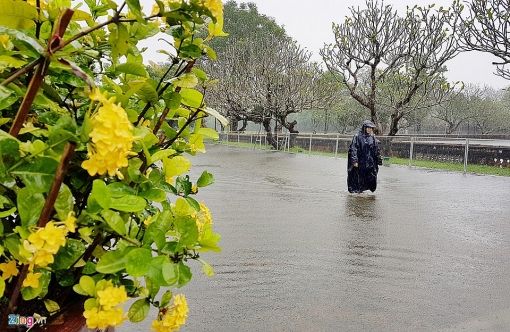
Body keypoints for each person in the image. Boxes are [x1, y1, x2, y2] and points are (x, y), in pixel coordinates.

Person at [347, 120, 383, 193]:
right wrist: (355, 161)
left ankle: (367, 189)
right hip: (360, 161)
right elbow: (353, 149)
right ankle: (358, 191)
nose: (370, 130)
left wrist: (378, 159)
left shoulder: (372, 138)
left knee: (371, 176)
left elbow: (376, 150)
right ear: (364, 127)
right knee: (358, 177)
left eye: (371, 128)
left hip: (370, 162)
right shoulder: (357, 137)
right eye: (368, 128)